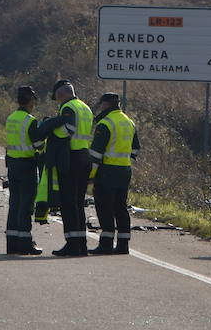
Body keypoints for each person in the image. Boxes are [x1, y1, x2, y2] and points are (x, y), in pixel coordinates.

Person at [41, 79, 94, 257]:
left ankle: (72, 245)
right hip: (84, 156)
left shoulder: (68, 107)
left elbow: (67, 130)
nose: (57, 102)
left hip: (71, 157)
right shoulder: (85, 107)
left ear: (60, 94)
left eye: (56, 98)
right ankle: (81, 244)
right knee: (78, 203)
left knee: (68, 204)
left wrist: (50, 127)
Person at [88, 92, 138, 255]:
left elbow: (96, 154)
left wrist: (90, 176)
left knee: (105, 208)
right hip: (124, 170)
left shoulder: (106, 123)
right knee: (120, 207)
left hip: (107, 171)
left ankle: (106, 244)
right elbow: (135, 148)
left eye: (101, 104)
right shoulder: (128, 121)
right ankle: (123, 245)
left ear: (106, 105)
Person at [4, 86, 43, 255]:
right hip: (27, 165)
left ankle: (12, 244)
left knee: (14, 203)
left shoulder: (11, 118)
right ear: (30, 101)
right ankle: (25, 244)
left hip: (12, 164)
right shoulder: (30, 120)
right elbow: (38, 145)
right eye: (33, 100)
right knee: (26, 205)